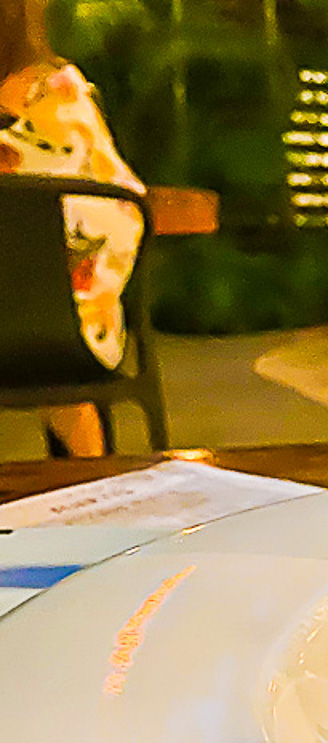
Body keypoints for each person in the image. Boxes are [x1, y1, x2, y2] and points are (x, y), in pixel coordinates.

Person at [0, 0, 145, 457]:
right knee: (64, 366)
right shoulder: (61, 93)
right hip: (65, 333)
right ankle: (92, 481)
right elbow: (120, 206)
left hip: (34, 324)